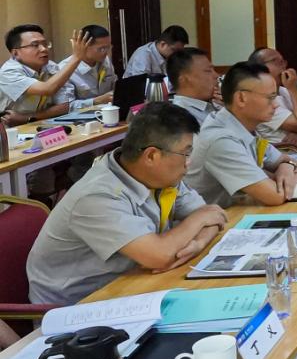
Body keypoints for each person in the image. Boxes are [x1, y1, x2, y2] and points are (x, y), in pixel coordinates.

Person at [26, 102, 228, 306]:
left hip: (131, 284)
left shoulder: (159, 175)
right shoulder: (96, 196)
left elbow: (214, 216)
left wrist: (198, 242)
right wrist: (197, 221)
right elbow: (160, 256)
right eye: (185, 153)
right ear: (152, 156)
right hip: (79, 308)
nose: (188, 162)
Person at [185, 62, 297, 207]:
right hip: (216, 218)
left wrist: (286, 168)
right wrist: (293, 176)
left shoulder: (245, 125)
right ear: (241, 98)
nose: (276, 104)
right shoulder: (221, 140)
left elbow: (285, 160)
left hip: (236, 211)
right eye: (270, 98)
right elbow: (274, 196)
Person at [0, 25, 92, 124]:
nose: (44, 49)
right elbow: (48, 89)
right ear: (15, 53)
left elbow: (64, 107)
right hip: (11, 128)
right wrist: (76, 58)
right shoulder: (8, 72)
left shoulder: (50, 66)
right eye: (35, 45)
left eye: (45, 44)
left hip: (41, 124)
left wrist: (26, 118)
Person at [249, 46, 297, 159]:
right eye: (275, 61)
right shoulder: (262, 100)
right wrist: (293, 90)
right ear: (259, 69)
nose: (283, 66)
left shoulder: (284, 90)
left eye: (283, 61)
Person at [59, 24, 116, 107]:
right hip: (81, 115)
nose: (106, 52)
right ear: (84, 46)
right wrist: (97, 101)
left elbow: (114, 86)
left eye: (109, 47)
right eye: (102, 49)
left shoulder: (105, 61)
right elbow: (67, 107)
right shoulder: (65, 69)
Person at [167, 47, 219, 125]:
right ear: (183, 79)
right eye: (208, 71)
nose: (216, 75)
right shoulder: (181, 117)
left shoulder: (216, 104)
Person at [123, 25, 189, 79]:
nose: (177, 54)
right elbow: (141, 84)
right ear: (163, 44)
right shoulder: (143, 54)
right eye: (174, 50)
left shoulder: (168, 56)